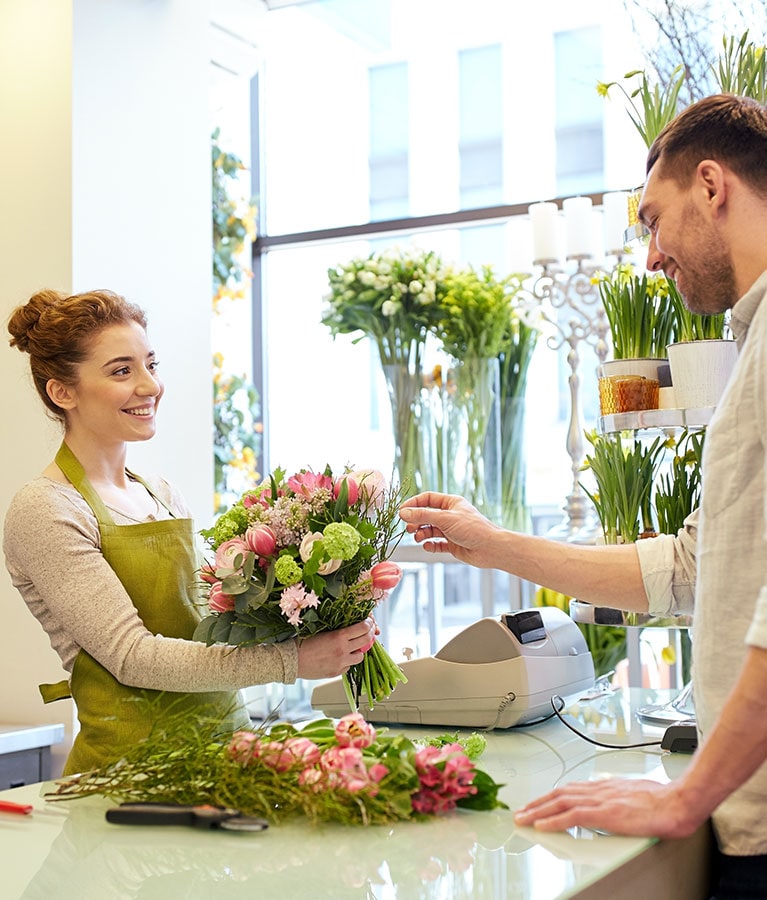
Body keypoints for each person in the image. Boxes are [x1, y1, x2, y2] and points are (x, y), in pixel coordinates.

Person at [400, 93, 767, 899]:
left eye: (651, 220)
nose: (650, 256)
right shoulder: (751, 341)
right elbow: (691, 567)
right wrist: (490, 544)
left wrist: (684, 798)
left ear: (711, 186)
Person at [3, 289, 375, 777]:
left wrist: (310, 606)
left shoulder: (161, 494)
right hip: (128, 779)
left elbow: (206, 628)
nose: (150, 386)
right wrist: (291, 660)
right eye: (122, 371)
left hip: (227, 752)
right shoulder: (46, 509)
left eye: (150, 364)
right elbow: (133, 657)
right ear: (63, 392)